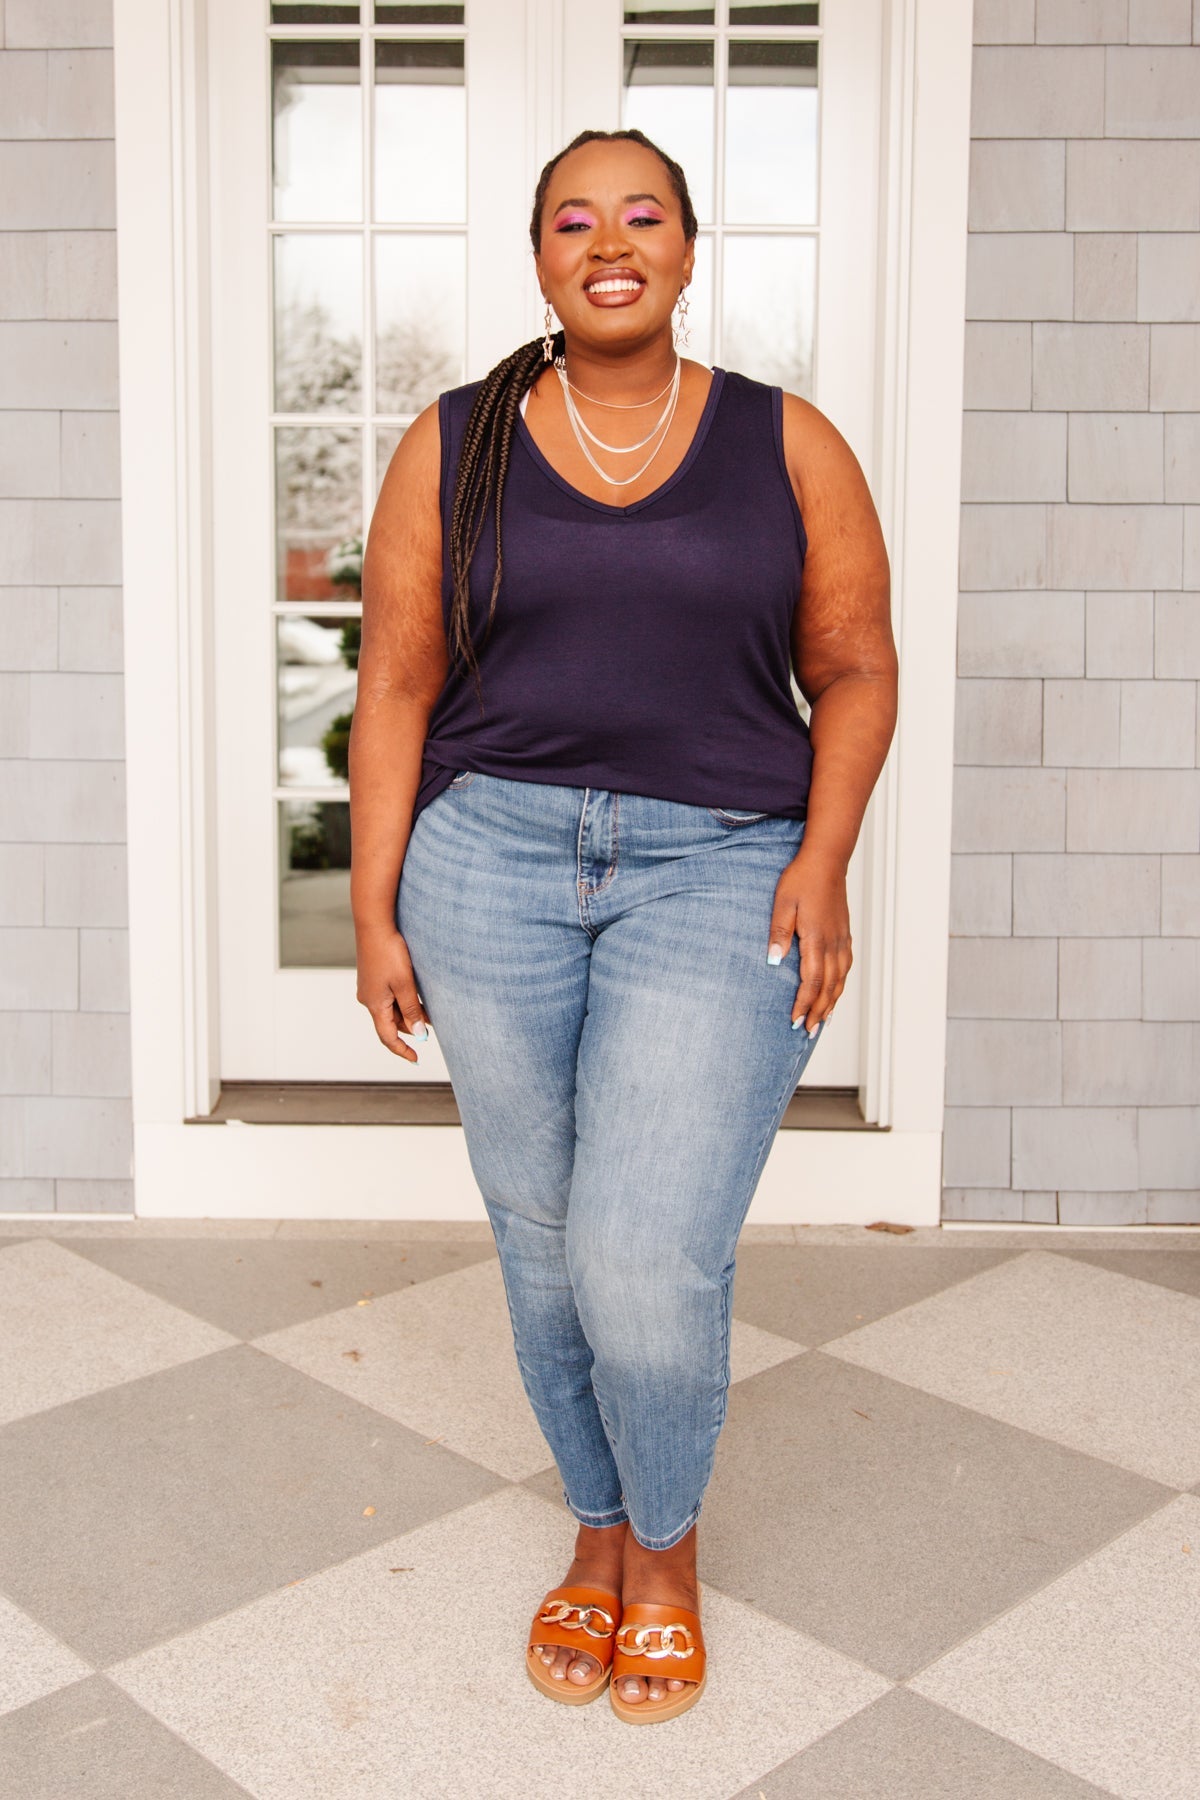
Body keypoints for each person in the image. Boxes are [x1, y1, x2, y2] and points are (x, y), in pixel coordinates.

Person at [350, 127, 896, 1725]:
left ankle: (665, 1540)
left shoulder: (787, 441)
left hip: (720, 865)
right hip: (488, 865)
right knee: (538, 1235)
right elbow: (396, 681)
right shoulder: (454, 442)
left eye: (642, 214)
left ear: (688, 250)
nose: (610, 243)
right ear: (538, 260)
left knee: (643, 1253)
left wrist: (826, 858)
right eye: (574, 220)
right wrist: (374, 909)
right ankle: (595, 1526)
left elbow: (856, 666)